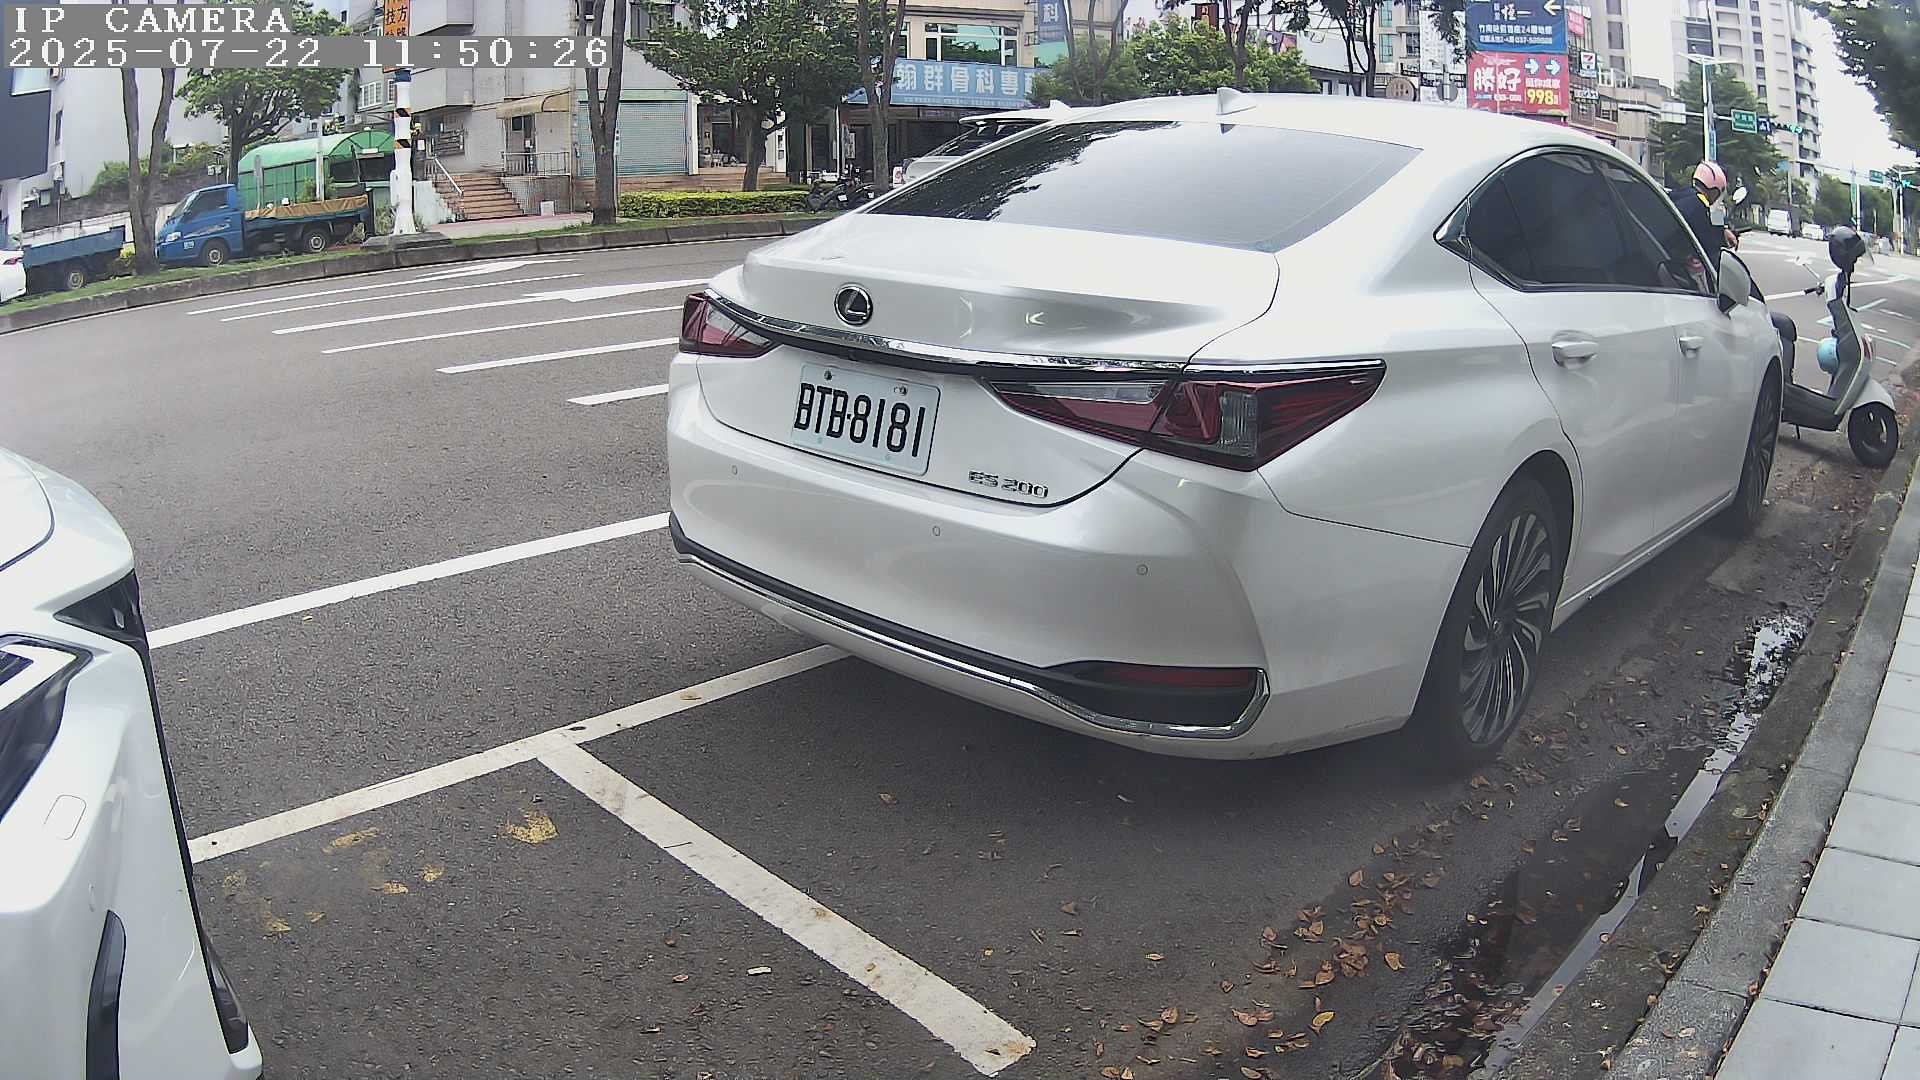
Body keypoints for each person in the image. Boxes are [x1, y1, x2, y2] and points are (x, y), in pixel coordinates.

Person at [1671, 160, 1735, 273]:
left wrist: (1724, 229)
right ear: (1713, 190)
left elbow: (1712, 218)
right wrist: (1723, 236)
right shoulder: (1699, 205)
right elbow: (1709, 239)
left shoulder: (1682, 195)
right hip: (1680, 265)